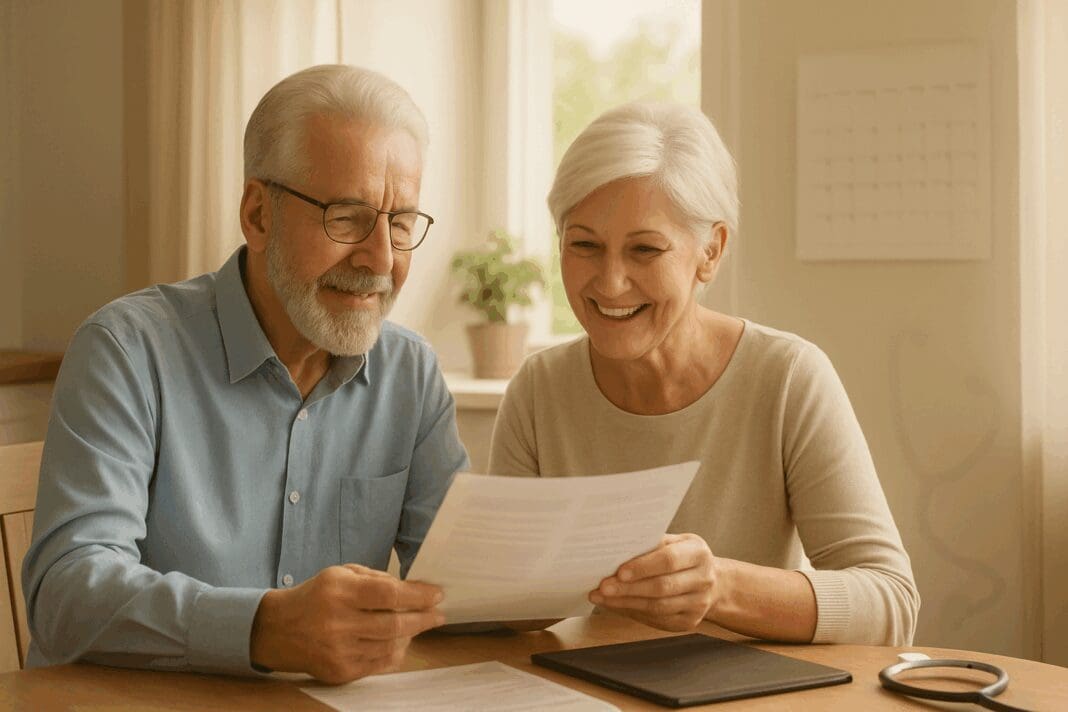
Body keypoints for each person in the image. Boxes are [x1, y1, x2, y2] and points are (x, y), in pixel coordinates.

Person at [23, 65, 468, 684]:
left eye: (399, 224)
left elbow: (466, 584)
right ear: (258, 214)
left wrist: (606, 572)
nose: (382, 260)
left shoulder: (410, 372)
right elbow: (66, 595)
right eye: (346, 216)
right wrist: (265, 627)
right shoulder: (127, 350)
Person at [489, 102, 920, 646]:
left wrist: (717, 586)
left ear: (710, 253)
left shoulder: (788, 377)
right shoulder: (538, 388)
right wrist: (507, 593)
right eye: (584, 245)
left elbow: (891, 604)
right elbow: (505, 603)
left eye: (645, 249)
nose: (611, 281)